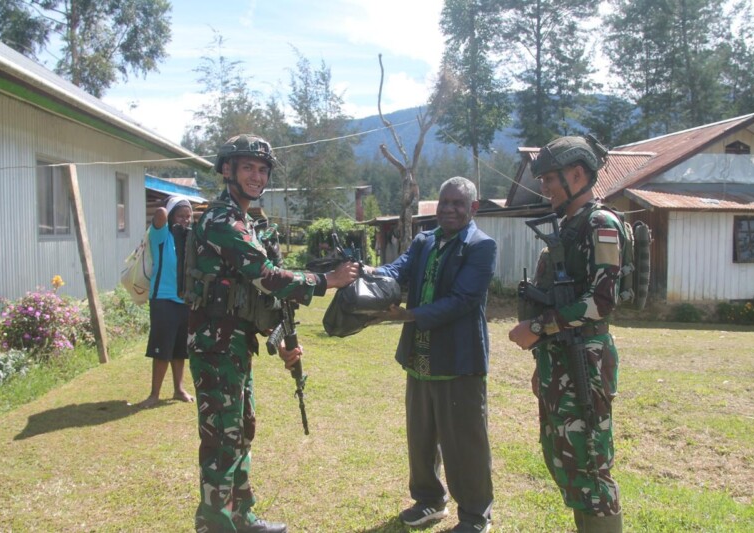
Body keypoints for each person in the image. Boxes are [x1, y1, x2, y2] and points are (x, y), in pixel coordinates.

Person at [187, 134, 359, 533]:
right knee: (220, 442)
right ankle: (215, 525)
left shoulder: (250, 222)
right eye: (248, 167)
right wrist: (325, 280)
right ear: (227, 170)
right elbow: (265, 278)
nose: (256, 175)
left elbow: (257, 298)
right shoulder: (220, 221)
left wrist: (282, 341)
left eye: (262, 169)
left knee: (241, 431)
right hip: (215, 348)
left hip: (235, 345)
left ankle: (241, 517)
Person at [508, 135, 624, 532]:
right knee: (566, 460)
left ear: (578, 174)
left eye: (550, 179)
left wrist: (539, 328)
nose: (544, 188)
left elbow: (602, 301)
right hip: (560, 359)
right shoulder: (568, 228)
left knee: (590, 465)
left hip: (585, 363)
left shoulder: (601, 224)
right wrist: (545, 360)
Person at [370, 177, 496, 533]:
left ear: (473, 208)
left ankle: (474, 516)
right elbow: (399, 268)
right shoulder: (426, 240)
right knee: (421, 435)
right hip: (421, 357)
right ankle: (429, 500)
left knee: (465, 442)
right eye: (444, 202)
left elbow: (463, 300)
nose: (449, 209)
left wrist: (409, 315)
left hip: (459, 360)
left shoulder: (481, 246)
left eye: (458, 203)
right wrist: (372, 274)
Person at [135, 195, 195, 409]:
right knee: (162, 348)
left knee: (180, 349)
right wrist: (170, 211)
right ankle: (154, 394)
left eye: (189, 216)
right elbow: (159, 215)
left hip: (184, 300)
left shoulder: (188, 239)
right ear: (171, 217)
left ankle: (179, 389)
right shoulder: (162, 236)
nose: (186, 220)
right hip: (163, 300)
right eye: (181, 216)